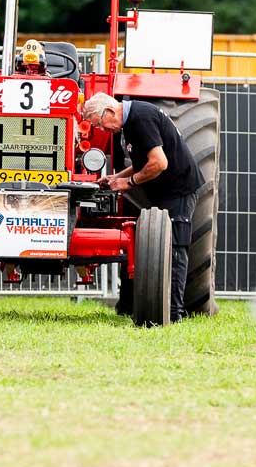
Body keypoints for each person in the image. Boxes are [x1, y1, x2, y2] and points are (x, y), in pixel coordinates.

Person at [82, 92, 205, 321]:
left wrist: (127, 183)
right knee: (161, 249)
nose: (102, 130)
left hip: (179, 190)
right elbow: (142, 162)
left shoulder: (141, 118)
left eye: (99, 124)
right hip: (165, 190)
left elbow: (159, 163)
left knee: (175, 249)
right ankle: (159, 308)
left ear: (108, 112)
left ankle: (174, 314)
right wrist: (115, 177)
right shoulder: (131, 121)